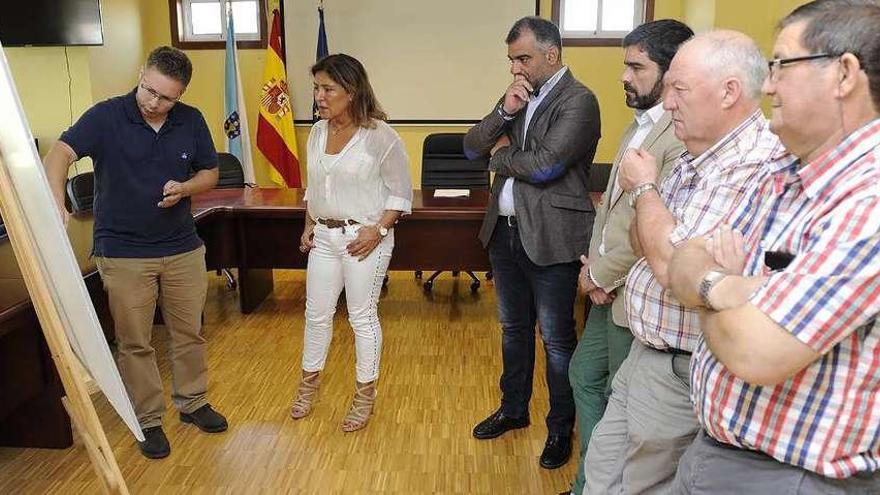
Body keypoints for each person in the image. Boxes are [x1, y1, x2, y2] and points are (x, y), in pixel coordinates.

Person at [666, 2, 880, 492]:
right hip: (717, 452)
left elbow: (754, 353)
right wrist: (726, 288)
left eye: (782, 64)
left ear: (844, 73)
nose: (768, 85)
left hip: (791, 478)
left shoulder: (869, 199)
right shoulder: (782, 174)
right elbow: (684, 260)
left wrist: (704, 289)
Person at [581, 31, 785, 494]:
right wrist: (653, 214)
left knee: (641, 485)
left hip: (679, 368)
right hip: (645, 352)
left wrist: (646, 192)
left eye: (679, 89)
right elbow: (643, 238)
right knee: (602, 472)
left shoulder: (751, 166)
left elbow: (670, 267)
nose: (668, 103)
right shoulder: (698, 158)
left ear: (729, 91)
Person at [43, 46, 226, 460]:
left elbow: (210, 172)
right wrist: (57, 197)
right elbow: (60, 153)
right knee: (135, 341)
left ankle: (193, 402)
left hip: (182, 247)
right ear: (142, 73)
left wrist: (186, 188)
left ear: (180, 96)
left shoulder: (191, 120)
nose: (153, 102)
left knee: (188, 333)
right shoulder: (106, 116)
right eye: (149, 90)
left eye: (166, 98)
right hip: (123, 251)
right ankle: (148, 419)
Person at [464, 16, 601, 470]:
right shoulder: (519, 95)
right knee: (513, 330)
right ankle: (513, 409)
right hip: (504, 234)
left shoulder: (579, 101)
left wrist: (501, 155)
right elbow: (469, 146)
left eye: (523, 58)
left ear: (552, 54)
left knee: (558, 340)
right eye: (511, 60)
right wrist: (503, 113)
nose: (515, 69)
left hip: (552, 238)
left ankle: (560, 427)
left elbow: (545, 166)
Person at [565, 18, 692, 495]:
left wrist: (600, 273)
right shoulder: (637, 127)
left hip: (635, 294)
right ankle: (589, 482)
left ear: (671, 71)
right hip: (607, 290)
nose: (624, 76)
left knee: (626, 403)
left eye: (635, 66)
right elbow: (612, 210)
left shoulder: (679, 138)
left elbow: (653, 226)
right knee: (585, 376)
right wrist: (593, 264)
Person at [289, 54, 412, 433]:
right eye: (316, 88)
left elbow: (400, 194)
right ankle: (308, 386)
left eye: (327, 89)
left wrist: (378, 230)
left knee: (361, 317)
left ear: (351, 90)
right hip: (324, 237)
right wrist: (309, 224)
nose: (319, 97)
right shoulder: (318, 132)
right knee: (316, 315)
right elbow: (316, 188)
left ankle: (364, 395)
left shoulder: (380, 136)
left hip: (364, 239)